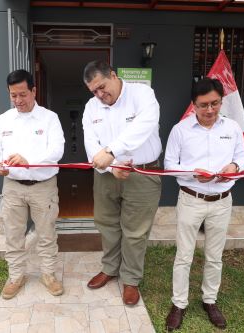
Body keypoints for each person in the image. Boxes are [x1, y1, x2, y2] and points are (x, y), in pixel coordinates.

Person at [163, 78, 244, 331]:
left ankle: (209, 301)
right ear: (194, 105)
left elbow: (242, 156)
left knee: (214, 256)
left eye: (214, 104)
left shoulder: (232, 128)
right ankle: (179, 304)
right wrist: (192, 173)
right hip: (191, 198)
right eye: (203, 105)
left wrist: (234, 166)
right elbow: (169, 165)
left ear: (221, 101)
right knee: (184, 255)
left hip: (222, 200)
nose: (210, 110)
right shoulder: (180, 130)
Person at [81, 60, 162, 306]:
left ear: (113, 76)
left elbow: (143, 127)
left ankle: (131, 279)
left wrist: (113, 152)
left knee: (135, 231)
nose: (100, 94)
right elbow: (90, 142)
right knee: (106, 224)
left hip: (142, 174)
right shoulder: (91, 107)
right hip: (106, 175)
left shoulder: (142, 94)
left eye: (102, 87)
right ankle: (110, 268)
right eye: (94, 91)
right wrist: (111, 164)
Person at [0, 69, 65, 299]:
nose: (18, 100)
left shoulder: (49, 118)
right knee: (13, 234)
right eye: (13, 96)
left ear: (33, 90)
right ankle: (16, 276)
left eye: (23, 94)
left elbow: (56, 150)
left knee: (46, 234)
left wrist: (30, 162)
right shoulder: (3, 120)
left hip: (43, 186)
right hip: (12, 187)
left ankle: (48, 274)